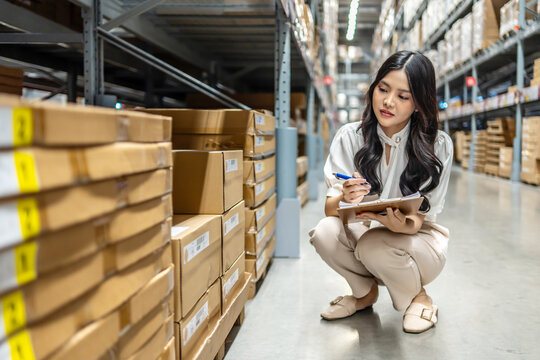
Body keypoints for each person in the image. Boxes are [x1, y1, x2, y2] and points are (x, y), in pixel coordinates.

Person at [309, 50, 453, 334]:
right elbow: (330, 209)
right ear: (373, 89)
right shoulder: (351, 137)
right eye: (383, 89)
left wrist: (400, 224)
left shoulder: (437, 146)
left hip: (416, 243)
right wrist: (344, 197)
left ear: (418, 103)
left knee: (374, 243)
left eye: (403, 96)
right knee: (325, 231)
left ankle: (419, 297)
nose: (388, 102)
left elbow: (419, 221)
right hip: (365, 235)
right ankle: (364, 295)